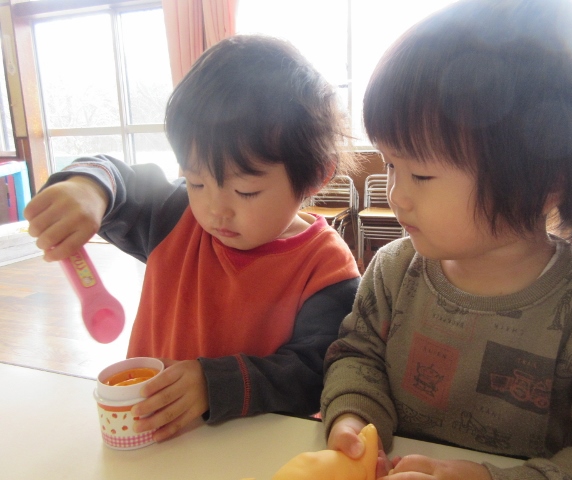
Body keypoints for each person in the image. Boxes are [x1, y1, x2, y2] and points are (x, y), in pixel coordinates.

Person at [320, 0, 572, 479]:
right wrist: (353, 419)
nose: (396, 194)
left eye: (422, 175)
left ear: (546, 184)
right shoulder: (392, 272)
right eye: (390, 164)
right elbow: (357, 356)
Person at [25, 35, 361, 443]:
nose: (215, 210)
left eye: (246, 191)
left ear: (317, 175)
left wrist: (214, 384)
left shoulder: (326, 268)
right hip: (153, 438)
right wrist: (88, 190)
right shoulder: (176, 217)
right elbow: (119, 178)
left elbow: (314, 372)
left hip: (252, 451)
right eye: (196, 181)